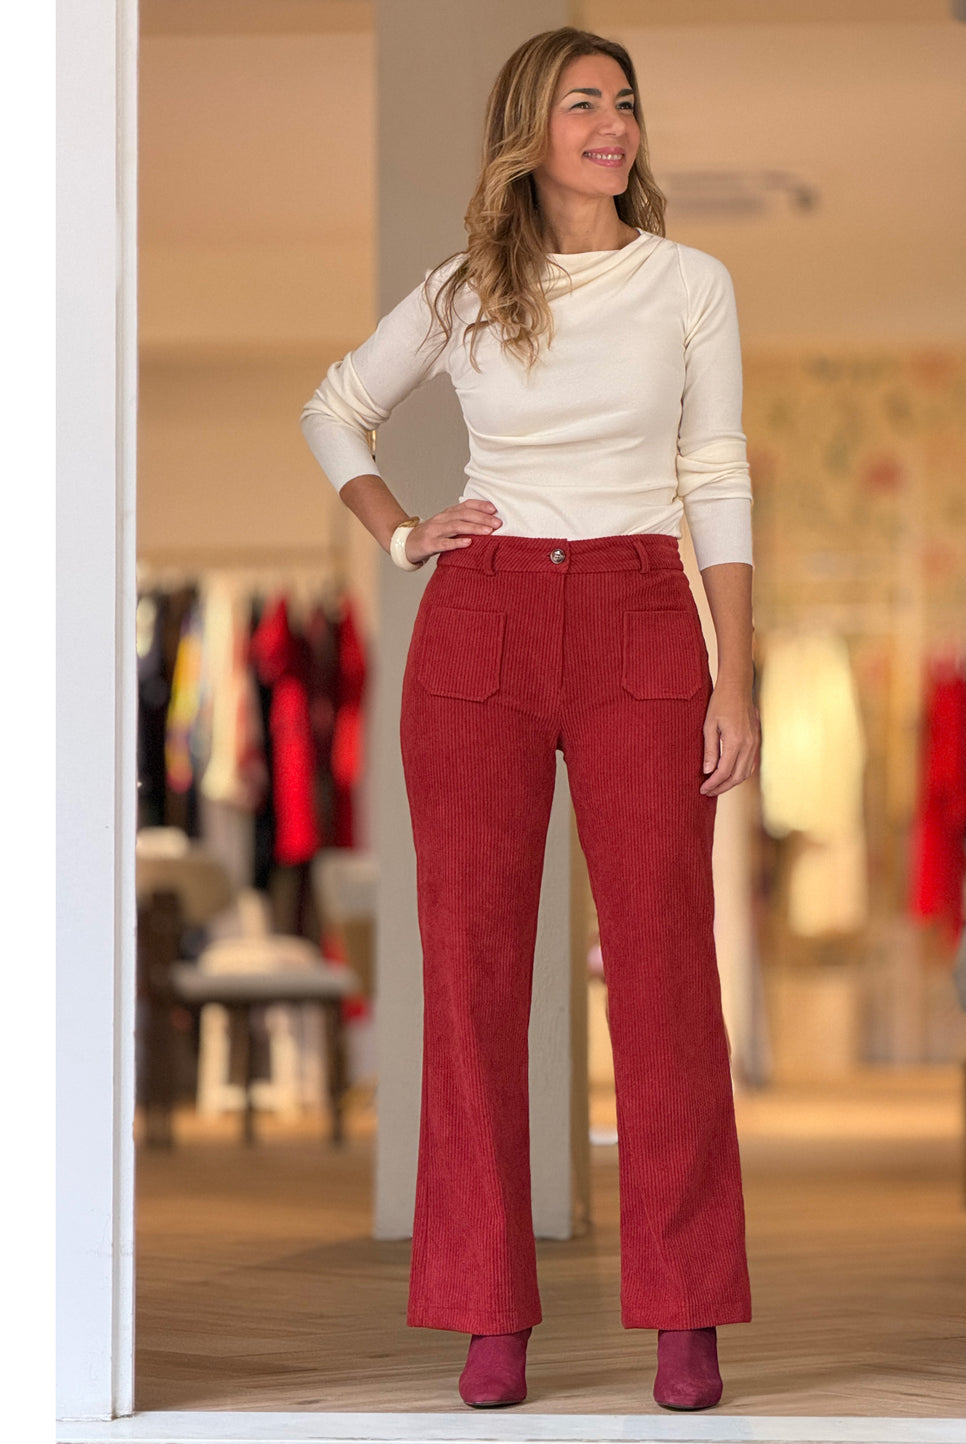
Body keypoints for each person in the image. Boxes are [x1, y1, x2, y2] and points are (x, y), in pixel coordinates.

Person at [300, 25, 760, 1413]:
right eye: (582, 104)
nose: (612, 124)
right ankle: (485, 1311)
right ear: (530, 130)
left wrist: (736, 677)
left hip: (640, 612)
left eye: (625, 102)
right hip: (483, 619)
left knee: (667, 970)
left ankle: (686, 1311)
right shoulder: (463, 292)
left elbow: (715, 475)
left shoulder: (690, 282)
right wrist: (403, 534)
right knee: (472, 974)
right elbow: (333, 412)